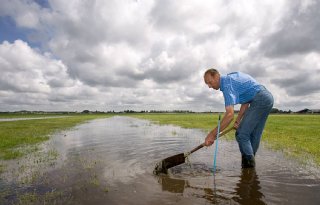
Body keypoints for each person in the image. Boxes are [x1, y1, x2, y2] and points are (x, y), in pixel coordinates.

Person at [203, 68, 274, 168]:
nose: (209, 86)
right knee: (254, 135)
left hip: (260, 99)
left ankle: (248, 168)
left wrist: (212, 134)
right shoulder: (230, 79)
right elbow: (246, 101)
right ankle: (249, 171)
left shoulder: (227, 84)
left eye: (210, 82)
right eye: (207, 84)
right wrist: (238, 121)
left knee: (241, 134)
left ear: (216, 76)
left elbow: (229, 115)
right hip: (267, 98)